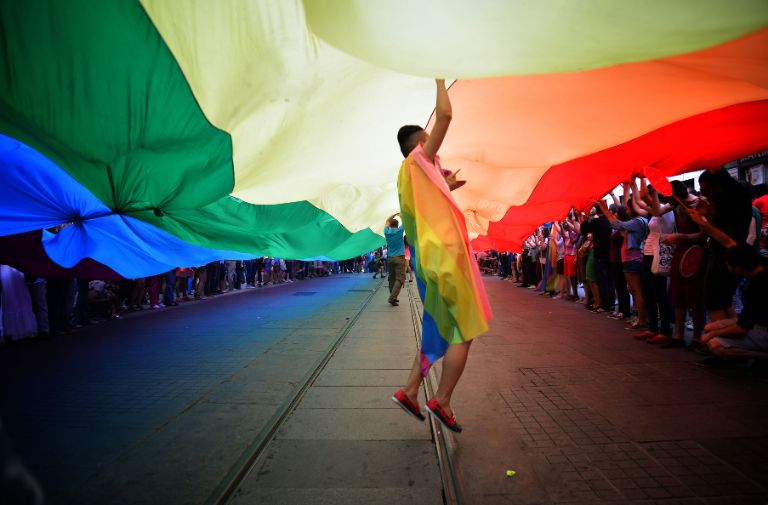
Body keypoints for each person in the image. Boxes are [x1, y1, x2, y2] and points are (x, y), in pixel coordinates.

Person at [390, 79, 477, 433]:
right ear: (422, 144)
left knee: (438, 326)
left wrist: (447, 186)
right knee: (463, 329)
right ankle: (442, 400)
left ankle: (410, 390)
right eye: (432, 145)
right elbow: (445, 113)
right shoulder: (420, 157)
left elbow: (430, 205)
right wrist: (440, 74)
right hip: (443, 259)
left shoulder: (410, 173)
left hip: (429, 259)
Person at [688, 209, 768, 366]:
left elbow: (742, 328)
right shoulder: (759, 263)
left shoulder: (755, 287)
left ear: (737, 269)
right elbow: (729, 243)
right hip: (757, 324)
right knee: (711, 327)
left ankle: (762, 357)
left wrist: (710, 336)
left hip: (762, 329)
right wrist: (703, 222)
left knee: (715, 344)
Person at [384, 213, 406, 306]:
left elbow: (386, 222)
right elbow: (405, 221)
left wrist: (393, 215)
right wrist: (400, 215)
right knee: (400, 278)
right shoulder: (400, 231)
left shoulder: (387, 232)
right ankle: (392, 297)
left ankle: (393, 297)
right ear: (397, 225)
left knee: (391, 278)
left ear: (390, 225)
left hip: (390, 258)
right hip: (399, 257)